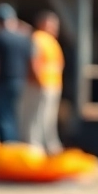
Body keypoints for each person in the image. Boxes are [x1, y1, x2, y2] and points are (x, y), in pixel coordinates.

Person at [0, 3, 33, 146]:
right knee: (13, 115)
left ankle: (8, 148)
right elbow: (30, 61)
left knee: (2, 116)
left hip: (2, 82)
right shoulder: (23, 38)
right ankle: (13, 145)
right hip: (19, 81)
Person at [23, 11, 65, 155]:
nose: (55, 27)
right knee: (36, 117)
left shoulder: (51, 41)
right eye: (52, 24)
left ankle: (51, 146)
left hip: (53, 85)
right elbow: (33, 61)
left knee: (49, 118)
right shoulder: (37, 38)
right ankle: (34, 147)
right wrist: (38, 80)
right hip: (40, 85)